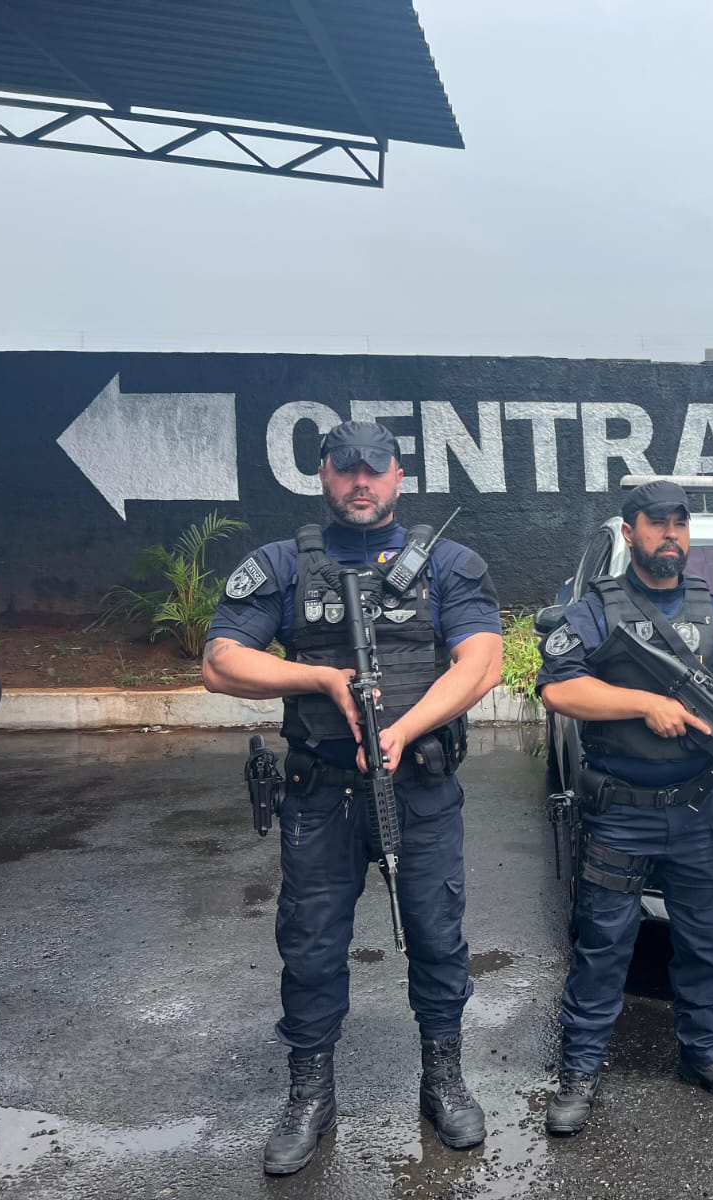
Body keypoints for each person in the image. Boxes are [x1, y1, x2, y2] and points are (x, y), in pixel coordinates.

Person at [202, 420, 503, 1174]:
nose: (359, 481)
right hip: (321, 795)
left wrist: (402, 729)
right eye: (345, 468)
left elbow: (483, 662)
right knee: (310, 945)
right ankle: (310, 1094)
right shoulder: (283, 565)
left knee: (436, 935)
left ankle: (443, 1078)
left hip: (419, 787)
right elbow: (221, 661)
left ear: (398, 476)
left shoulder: (448, 564)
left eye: (374, 468)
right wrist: (320, 678)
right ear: (324, 477)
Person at [536, 479, 713, 1136]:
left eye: (680, 524)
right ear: (630, 531)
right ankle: (580, 1071)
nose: (671, 535)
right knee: (603, 945)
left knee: (705, 944)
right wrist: (645, 704)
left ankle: (706, 1055)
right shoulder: (596, 610)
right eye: (658, 523)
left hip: (699, 808)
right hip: (622, 811)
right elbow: (559, 690)